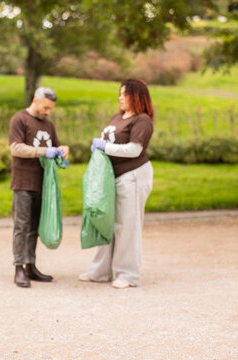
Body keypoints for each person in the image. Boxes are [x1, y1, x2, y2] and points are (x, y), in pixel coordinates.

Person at [79, 78, 154, 289]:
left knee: (127, 226)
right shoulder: (118, 117)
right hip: (113, 178)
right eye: (119, 93)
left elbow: (134, 150)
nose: (120, 97)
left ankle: (128, 275)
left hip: (134, 176)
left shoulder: (142, 121)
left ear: (137, 96)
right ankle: (100, 271)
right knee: (108, 222)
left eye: (124, 94)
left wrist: (104, 147)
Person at [9, 87, 70, 288]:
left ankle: (30, 265)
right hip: (23, 182)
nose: (47, 112)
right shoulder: (19, 119)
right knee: (22, 226)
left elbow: (56, 146)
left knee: (34, 226)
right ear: (35, 100)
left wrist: (63, 150)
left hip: (43, 184)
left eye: (50, 108)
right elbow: (16, 148)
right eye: (45, 107)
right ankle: (19, 267)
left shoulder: (49, 125)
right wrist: (44, 151)